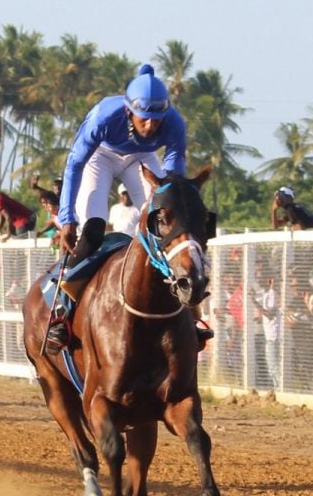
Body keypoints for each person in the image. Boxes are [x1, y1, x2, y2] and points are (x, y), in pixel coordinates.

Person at [50, 63, 205, 353]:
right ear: (128, 110)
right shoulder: (103, 117)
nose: (150, 126)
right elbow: (75, 164)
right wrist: (67, 217)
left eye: (156, 120)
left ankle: (191, 316)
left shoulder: (174, 123)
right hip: (101, 156)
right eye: (144, 119)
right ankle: (62, 311)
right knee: (94, 229)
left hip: (141, 159)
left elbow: (173, 178)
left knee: (165, 224)